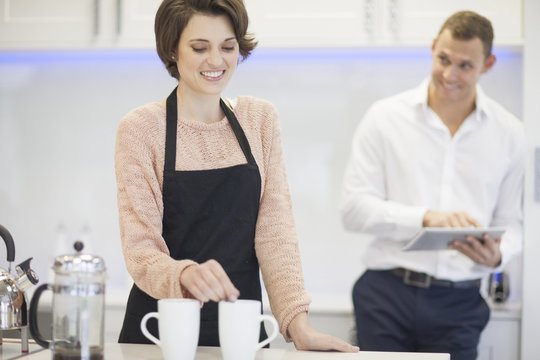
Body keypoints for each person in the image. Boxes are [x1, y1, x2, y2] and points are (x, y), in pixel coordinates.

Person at [114, 0, 358, 352]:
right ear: (172, 49)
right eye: (200, 48)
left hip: (240, 328)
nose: (217, 61)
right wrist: (185, 275)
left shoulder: (259, 120)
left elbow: (276, 235)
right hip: (162, 331)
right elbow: (140, 251)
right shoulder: (141, 129)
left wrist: (298, 325)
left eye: (228, 47)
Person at [340, 10, 525, 360]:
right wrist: (427, 218)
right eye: (443, 59)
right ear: (432, 49)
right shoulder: (384, 118)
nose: (449, 74)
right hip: (385, 294)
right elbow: (353, 210)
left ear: (488, 64)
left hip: (461, 301)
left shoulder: (510, 135)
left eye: (465, 65)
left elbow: (513, 222)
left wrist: (499, 255)